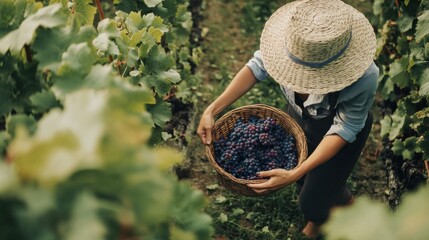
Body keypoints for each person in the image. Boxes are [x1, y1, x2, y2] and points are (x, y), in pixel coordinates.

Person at [197, 0, 378, 238]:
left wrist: (297, 171)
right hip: (299, 119)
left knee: (311, 200)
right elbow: (257, 65)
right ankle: (332, 200)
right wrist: (212, 109)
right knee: (305, 178)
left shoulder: (364, 77)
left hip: (338, 134)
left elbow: (346, 126)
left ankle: (325, 215)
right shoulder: (288, 44)